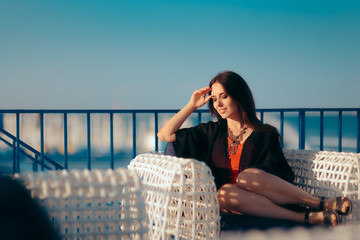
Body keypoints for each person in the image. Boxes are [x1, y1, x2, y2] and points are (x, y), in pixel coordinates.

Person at [157, 71, 352, 228]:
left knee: (246, 177)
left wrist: (249, 181)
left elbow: (278, 175)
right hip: (233, 201)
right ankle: (303, 218)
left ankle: (319, 204)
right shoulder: (211, 132)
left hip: (265, 196)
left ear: (239, 95)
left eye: (224, 96)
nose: (219, 104)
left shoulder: (264, 133)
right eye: (214, 99)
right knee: (224, 193)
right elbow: (164, 135)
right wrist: (192, 105)